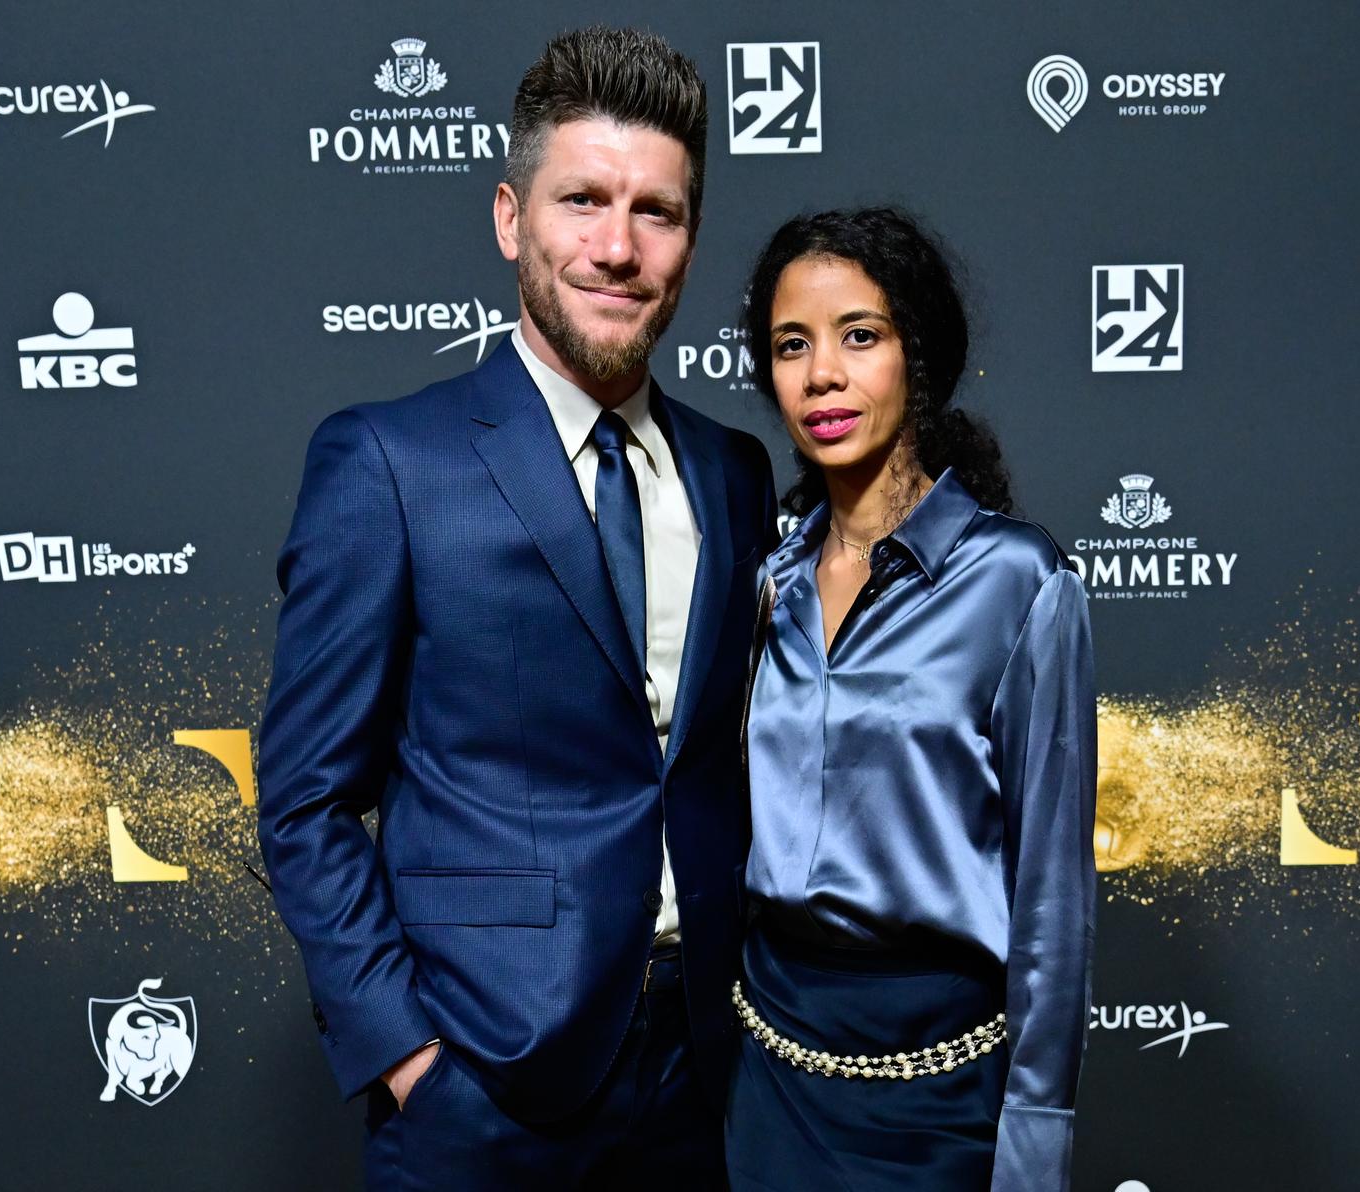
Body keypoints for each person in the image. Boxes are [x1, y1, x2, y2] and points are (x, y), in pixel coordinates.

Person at [257, 27, 776, 1190]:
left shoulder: (735, 471)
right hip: (481, 1083)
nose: (618, 246)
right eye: (582, 200)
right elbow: (303, 798)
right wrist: (406, 1055)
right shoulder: (388, 460)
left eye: (659, 211)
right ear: (509, 219)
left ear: (691, 238)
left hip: (705, 1073)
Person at [725, 208, 1097, 1191]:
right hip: (770, 1077)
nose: (823, 376)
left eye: (861, 335)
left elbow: (1054, 898)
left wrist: (1033, 1139)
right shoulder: (766, 577)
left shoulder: (1018, 581)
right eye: (790, 345)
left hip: (942, 1096)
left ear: (917, 356)